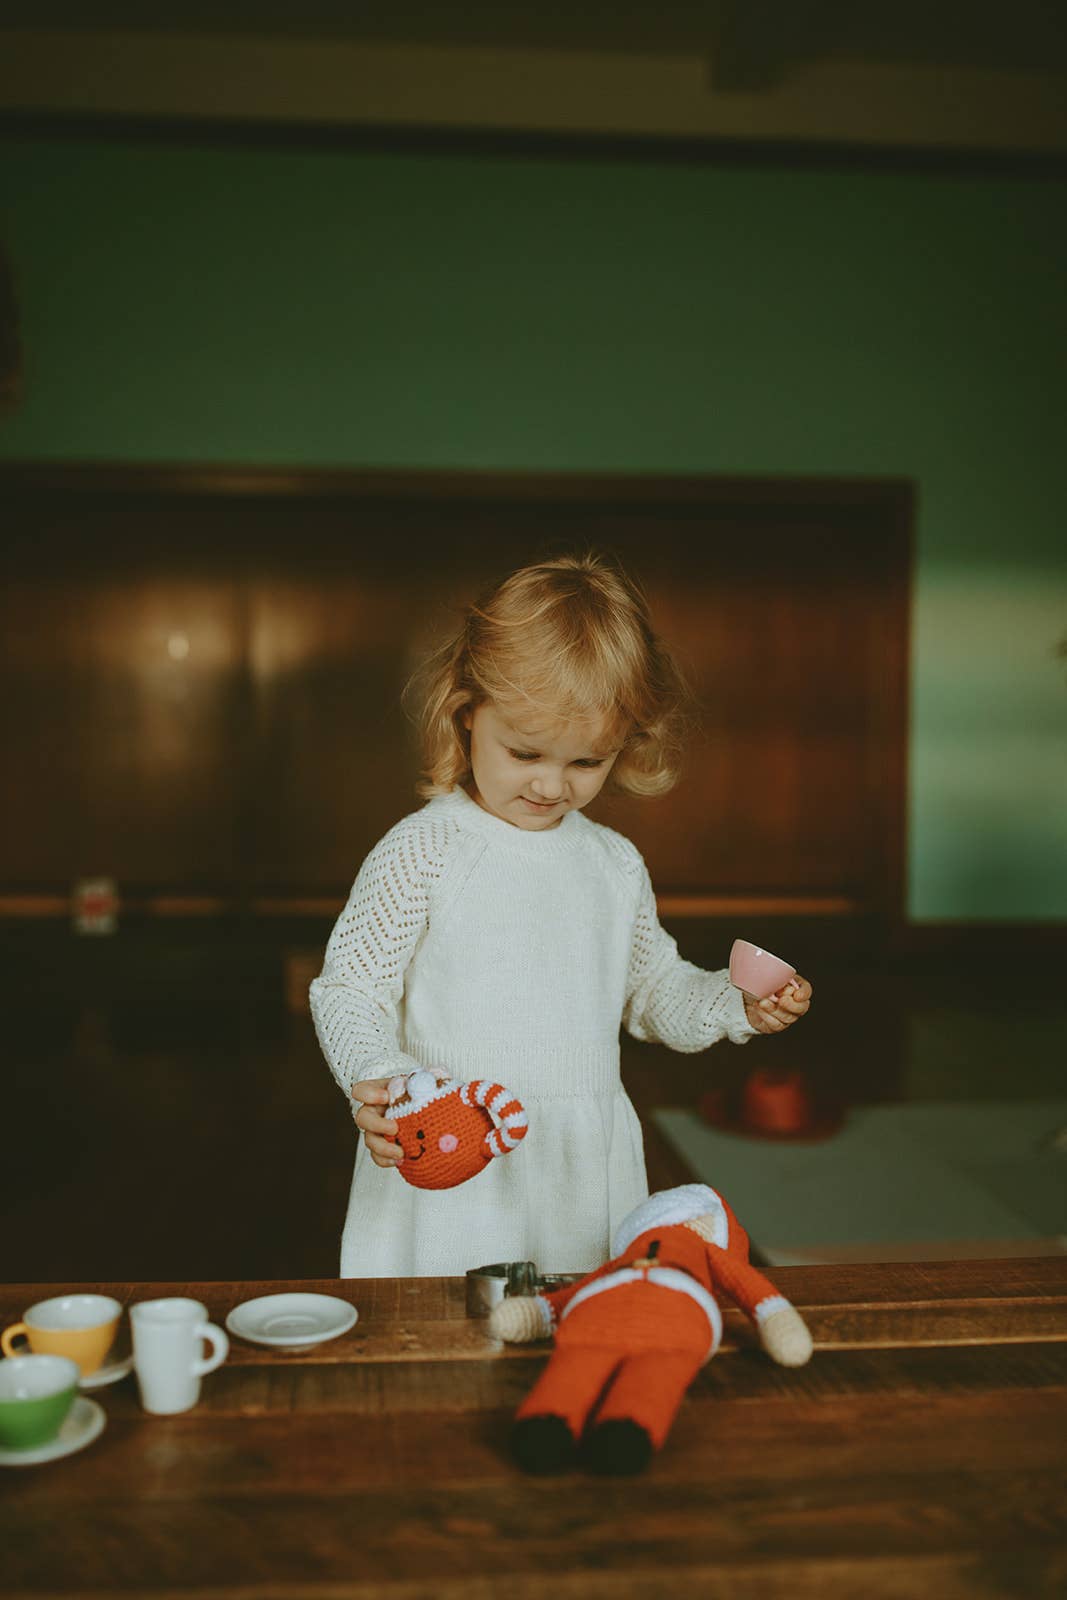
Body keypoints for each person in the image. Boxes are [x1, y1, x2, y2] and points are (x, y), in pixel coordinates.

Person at [309, 552, 812, 1277]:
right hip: (452, 1151)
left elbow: (654, 994)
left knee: (571, 1324)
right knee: (438, 1336)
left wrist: (734, 1002)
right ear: (466, 711)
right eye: (524, 752)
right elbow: (350, 988)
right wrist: (388, 1083)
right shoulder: (423, 850)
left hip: (579, 1167)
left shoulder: (612, 865)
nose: (550, 784)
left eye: (586, 763)